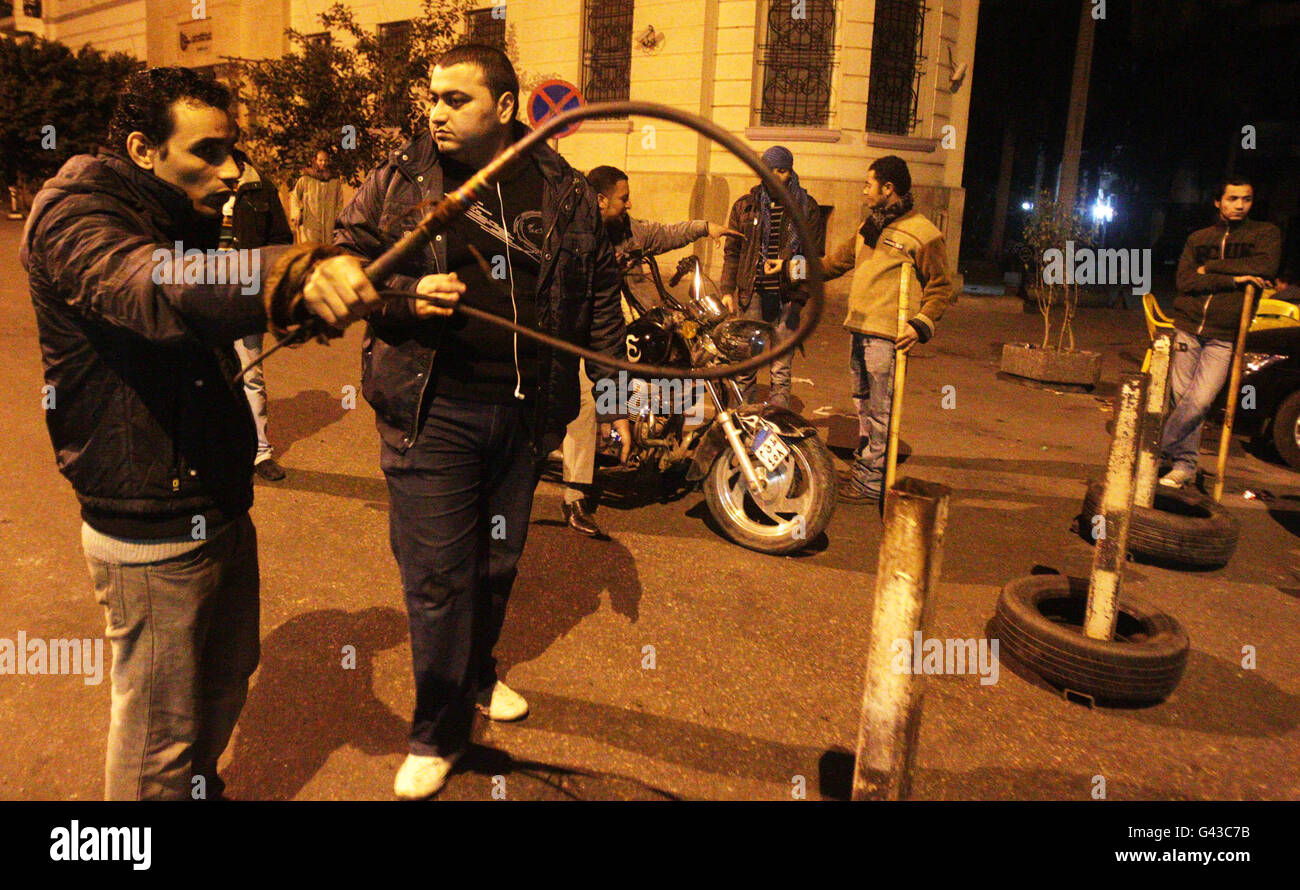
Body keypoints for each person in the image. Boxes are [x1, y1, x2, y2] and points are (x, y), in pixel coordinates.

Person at [19, 67, 382, 800]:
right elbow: (152, 287)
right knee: (159, 736)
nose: (231, 171)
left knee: (223, 686)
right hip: (146, 521)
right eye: (208, 153)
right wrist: (288, 277)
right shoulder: (74, 213)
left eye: (234, 150)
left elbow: (211, 299)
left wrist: (392, 293)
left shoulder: (175, 211)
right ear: (142, 149)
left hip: (215, 499)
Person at [332, 44, 627, 799]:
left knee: (496, 568)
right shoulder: (402, 176)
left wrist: (613, 397)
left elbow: (595, 297)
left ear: (504, 108)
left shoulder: (563, 189)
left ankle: (478, 672)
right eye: (432, 97)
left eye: (456, 99)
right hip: (431, 412)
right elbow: (344, 261)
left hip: (527, 417)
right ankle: (435, 733)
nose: (435, 111)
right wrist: (400, 295)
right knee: (437, 579)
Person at [555, 164, 738, 537]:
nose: (629, 203)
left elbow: (666, 233)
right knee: (589, 401)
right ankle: (574, 494)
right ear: (601, 199)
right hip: (582, 332)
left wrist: (706, 228)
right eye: (623, 197)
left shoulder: (629, 230)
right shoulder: (575, 234)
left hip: (627, 325)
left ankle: (655, 442)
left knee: (674, 360)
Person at [821, 155, 954, 505]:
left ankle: (870, 485)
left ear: (888, 188)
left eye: (868, 185)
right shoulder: (871, 227)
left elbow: (941, 286)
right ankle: (867, 472)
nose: (864, 191)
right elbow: (835, 263)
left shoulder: (923, 233)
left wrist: (920, 324)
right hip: (859, 329)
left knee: (880, 412)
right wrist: (791, 268)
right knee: (864, 407)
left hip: (887, 338)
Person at [1160, 177, 1281, 488]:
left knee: (1200, 401)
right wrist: (1236, 277)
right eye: (1232, 199)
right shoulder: (1199, 238)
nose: (1239, 205)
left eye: (1246, 199)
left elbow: (1266, 267)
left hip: (1225, 333)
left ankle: (1157, 446)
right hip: (1188, 327)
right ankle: (1184, 466)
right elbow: (1185, 281)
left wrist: (1211, 268)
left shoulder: (1265, 234)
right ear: (1218, 202)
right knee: (1181, 398)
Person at [719, 145, 821, 408]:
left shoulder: (806, 207)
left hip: (787, 297)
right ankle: (743, 421)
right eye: (769, 170)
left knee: (780, 368)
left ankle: (778, 423)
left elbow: (812, 258)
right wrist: (727, 291)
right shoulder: (745, 206)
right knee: (747, 364)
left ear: (791, 171)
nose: (775, 176)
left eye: (782, 170)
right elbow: (733, 252)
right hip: (751, 294)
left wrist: (792, 278)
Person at [222, 145, 293, 481]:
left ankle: (261, 453)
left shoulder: (262, 187)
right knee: (202, 371)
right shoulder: (197, 181)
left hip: (247, 292)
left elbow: (280, 242)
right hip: (200, 288)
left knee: (250, 374)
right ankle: (213, 452)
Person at [291, 148, 345, 245]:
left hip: (329, 225)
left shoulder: (334, 181)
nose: (323, 163)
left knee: (326, 253)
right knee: (311, 252)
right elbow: (294, 197)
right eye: (320, 160)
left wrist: (336, 218)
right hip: (310, 224)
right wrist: (296, 213)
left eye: (325, 160)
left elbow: (339, 201)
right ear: (315, 160)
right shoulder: (305, 179)